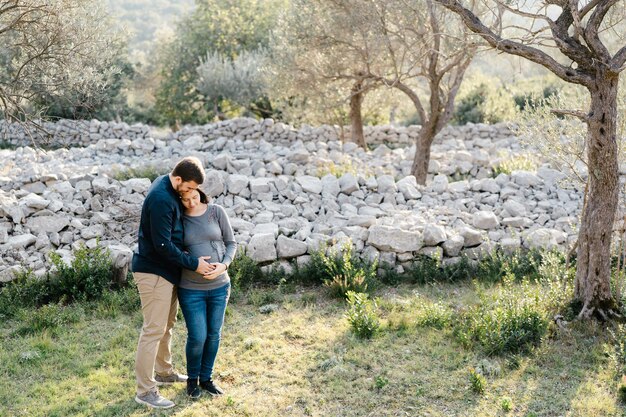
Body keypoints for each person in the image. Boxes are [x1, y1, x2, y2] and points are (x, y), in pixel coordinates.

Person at [131, 157, 215, 409]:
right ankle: (145, 391)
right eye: (188, 187)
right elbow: (163, 245)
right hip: (153, 272)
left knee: (166, 326)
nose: (190, 193)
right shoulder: (161, 199)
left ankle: (164, 372)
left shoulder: (168, 185)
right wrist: (194, 263)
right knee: (153, 330)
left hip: (167, 272)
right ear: (178, 179)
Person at [177, 187, 236, 399]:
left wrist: (225, 265)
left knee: (213, 334)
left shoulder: (216, 211)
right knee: (197, 336)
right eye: (185, 200)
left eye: (194, 197)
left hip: (220, 287)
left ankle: (206, 378)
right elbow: (174, 250)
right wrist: (192, 262)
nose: (191, 203)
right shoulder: (179, 218)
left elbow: (231, 243)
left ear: (200, 194)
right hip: (191, 289)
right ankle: (192, 380)